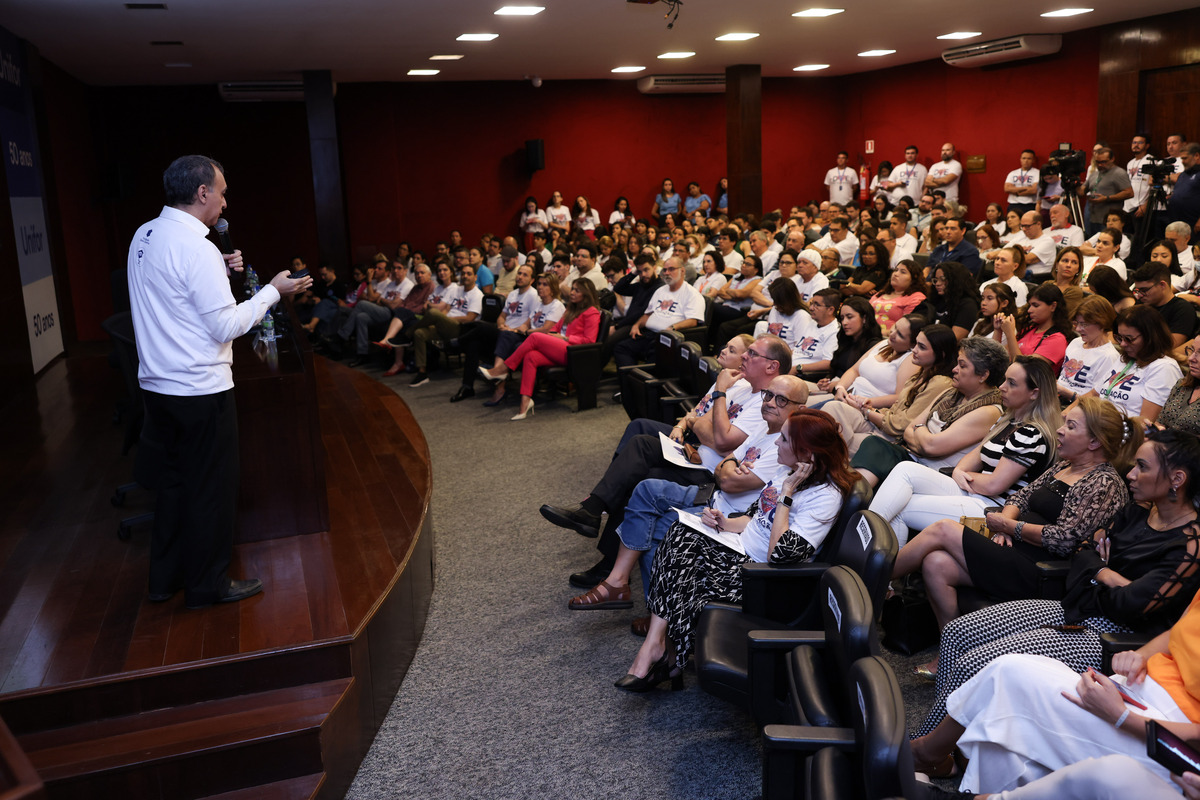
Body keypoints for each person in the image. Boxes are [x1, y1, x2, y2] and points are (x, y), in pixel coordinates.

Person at [909, 429, 1200, 793]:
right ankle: (943, 751)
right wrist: (1107, 574)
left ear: (1176, 479)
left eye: (1142, 466)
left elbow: (1133, 606)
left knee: (976, 663)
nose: (1130, 473)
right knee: (958, 632)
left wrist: (1097, 571)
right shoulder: (1136, 511)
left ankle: (927, 750)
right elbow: (1082, 552)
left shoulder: (1190, 545)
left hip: (1111, 635)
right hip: (1076, 604)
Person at [127, 154, 312, 608]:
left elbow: (173, 298)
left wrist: (220, 274)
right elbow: (225, 327)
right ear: (202, 192)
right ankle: (207, 586)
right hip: (199, 389)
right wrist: (273, 291)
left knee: (174, 485)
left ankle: (164, 580)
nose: (226, 202)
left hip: (157, 387)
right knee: (211, 488)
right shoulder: (198, 249)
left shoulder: (145, 234)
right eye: (223, 192)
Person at [614, 407, 858, 691]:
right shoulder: (788, 470)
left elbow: (778, 555)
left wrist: (787, 495)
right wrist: (724, 523)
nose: (776, 443)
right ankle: (661, 651)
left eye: (783, 439)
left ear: (807, 454)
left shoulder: (825, 497)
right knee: (679, 533)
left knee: (679, 549)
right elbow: (755, 518)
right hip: (738, 549)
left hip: (760, 577)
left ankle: (662, 654)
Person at [567, 373, 809, 612]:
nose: (769, 402)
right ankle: (618, 581)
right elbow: (723, 465)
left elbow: (727, 479)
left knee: (658, 519)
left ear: (801, 408)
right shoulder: (765, 428)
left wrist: (728, 467)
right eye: (768, 395)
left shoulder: (786, 447)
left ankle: (655, 611)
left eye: (780, 400)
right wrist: (729, 466)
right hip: (714, 492)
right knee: (646, 486)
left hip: (726, 512)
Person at [871, 354, 1061, 548]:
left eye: (1011, 383)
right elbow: (966, 464)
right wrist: (963, 474)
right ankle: (867, 542)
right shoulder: (1006, 421)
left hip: (992, 508)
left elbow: (994, 485)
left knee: (903, 509)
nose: (1002, 387)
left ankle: (871, 552)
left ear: (1034, 393)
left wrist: (965, 476)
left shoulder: (1031, 433)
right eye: (1004, 380)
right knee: (906, 469)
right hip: (973, 493)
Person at [849, 336, 1008, 487]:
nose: (954, 369)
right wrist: (923, 439)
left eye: (962, 365)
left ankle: (851, 497)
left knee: (877, 447)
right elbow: (909, 431)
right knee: (872, 444)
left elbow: (931, 446)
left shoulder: (989, 411)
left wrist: (920, 429)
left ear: (983, 375)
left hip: (934, 473)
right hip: (913, 457)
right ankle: (851, 496)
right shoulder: (950, 392)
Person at [822, 323, 958, 457]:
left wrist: (866, 412)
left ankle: (829, 464)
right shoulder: (920, 374)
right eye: (916, 344)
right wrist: (869, 408)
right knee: (833, 408)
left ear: (941, 354)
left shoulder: (940, 382)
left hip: (894, 440)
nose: (914, 350)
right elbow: (896, 409)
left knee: (830, 439)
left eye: (921, 347)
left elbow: (902, 425)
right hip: (882, 425)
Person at [479, 279, 600, 420]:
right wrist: (553, 336)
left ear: (586, 294)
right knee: (531, 356)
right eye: (572, 289)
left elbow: (589, 340)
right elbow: (556, 328)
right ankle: (525, 403)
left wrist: (566, 338)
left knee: (535, 337)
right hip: (561, 346)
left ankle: (503, 369)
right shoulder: (571, 308)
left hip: (575, 352)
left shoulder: (592, 312)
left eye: (576, 290)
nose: (571, 292)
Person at [1087, 304, 1183, 427]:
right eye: (1119, 338)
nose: (1122, 344)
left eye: (1129, 339)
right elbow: (1094, 393)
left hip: (1123, 434)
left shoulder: (1165, 368)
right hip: (1099, 425)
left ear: (1150, 337)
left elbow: (1145, 423)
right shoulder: (1125, 359)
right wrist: (1067, 412)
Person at [819, 312, 922, 413]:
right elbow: (854, 370)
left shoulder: (910, 359)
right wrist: (840, 387)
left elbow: (899, 397)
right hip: (846, 396)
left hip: (866, 409)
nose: (892, 334)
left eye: (900, 334)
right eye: (895, 327)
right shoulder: (884, 343)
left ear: (913, 344)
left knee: (824, 411)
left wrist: (866, 402)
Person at [407, 263, 483, 387]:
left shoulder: (477, 295)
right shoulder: (457, 290)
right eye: (463, 273)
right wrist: (441, 320)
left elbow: (470, 318)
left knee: (433, 312)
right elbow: (446, 309)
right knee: (419, 333)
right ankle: (422, 373)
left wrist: (444, 318)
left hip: (461, 329)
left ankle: (406, 335)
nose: (465, 276)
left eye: (469, 274)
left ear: (475, 277)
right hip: (446, 325)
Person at [993, 283, 1072, 371]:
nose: (1029, 310)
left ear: (1053, 306)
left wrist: (1010, 334)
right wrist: (998, 330)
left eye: (1036, 305)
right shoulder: (1029, 330)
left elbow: (1024, 370)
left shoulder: (1057, 339)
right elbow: (996, 357)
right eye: (1030, 305)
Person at [1057, 295, 1120, 405]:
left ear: (1102, 323)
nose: (1078, 329)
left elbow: (1097, 401)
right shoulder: (1076, 342)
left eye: (1084, 324)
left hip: (1080, 407)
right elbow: (1063, 379)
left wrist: (1064, 391)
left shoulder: (1109, 356)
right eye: (1076, 323)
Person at [1132, 261, 1197, 349]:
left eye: (1144, 290)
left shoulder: (1183, 309)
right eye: (1137, 290)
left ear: (1162, 285)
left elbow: (1169, 346)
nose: (1139, 295)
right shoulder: (1141, 303)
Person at [1080, 146, 1134, 236]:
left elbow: (1129, 193)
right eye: (1097, 162)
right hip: (1092, 218)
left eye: (1104, 162)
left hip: (1109, 221)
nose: (1100, 165)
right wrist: (1074, 184)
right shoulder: (1094, 174)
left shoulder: (1119, 173)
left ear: (1112, 159)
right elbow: (1081, 192)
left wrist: (1107, 198)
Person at [869, 259, 928, 335]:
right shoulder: (880, 293)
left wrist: (879, 333)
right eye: (896, 270)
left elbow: (905, 327)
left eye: (903, 272)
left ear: (913, 279)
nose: (896, 274)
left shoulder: (916, 297)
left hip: (888, 337)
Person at [928, 262, 980, 340]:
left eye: (943, 279)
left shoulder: (968, 305)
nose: (937, 284)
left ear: (956, 280)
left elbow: (954, 339)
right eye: (936, 280)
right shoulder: (937, 299)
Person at [1045, 246, 1085, 318]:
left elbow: (1059, 316)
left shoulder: (1075, 292)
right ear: (1057, 265)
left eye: (1074, 262)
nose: (1068, 265)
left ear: (1078, 269)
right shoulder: (1047, 284)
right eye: (1065, 261)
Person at [1004, 149, 1040, 215]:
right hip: (1014, 205)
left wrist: (1016, 191)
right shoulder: (1013, 173)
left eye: (1029, 158)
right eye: (1024, 158)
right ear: (1020, 159)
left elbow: (1034, 190)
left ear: (1033, 160)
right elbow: (1007, 188)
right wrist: (1026, 188)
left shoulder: (1037, 173)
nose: (1026, 161)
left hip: (1030, 205)